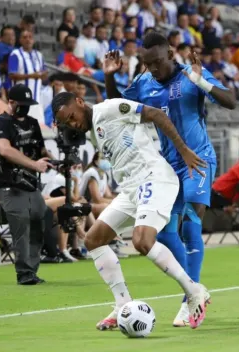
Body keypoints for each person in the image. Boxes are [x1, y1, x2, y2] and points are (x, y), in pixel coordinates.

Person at [103, 31, 236, 326]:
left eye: (157, 62)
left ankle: (190, 300)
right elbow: (118, 108)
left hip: (198, 158)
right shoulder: (143, 83)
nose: (153, 69)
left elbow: (231, 101)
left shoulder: (191, 74)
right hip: (167, 166)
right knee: (163, 233)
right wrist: (110, 77)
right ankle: (193, 291)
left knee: (191, 216)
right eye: (147, 63)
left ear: (170, 54)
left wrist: (202, 83)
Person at [51, 89, 211, 330]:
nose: (72, 124)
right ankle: (121, 304)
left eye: (72, 117)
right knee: (93, 239)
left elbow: (156, 114)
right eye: (67, 123)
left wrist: (184, 151)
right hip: (130, 190)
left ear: (81, 102)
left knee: (142, 241)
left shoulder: (108, 109)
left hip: (154, 178)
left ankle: (194, 292)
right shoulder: (93, 129)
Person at [0, 84, 53, 285]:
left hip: (31, 184)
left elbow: (42, 151)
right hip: (10, 185)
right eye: (21, 104)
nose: (25, 108)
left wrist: (55, 162)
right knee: (21, 227)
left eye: (28, 104)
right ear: (11, 102)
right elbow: (5, 150)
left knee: (39, 220)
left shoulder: (33, 123)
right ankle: (24, 273)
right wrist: (34, 164)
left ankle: (31, 269)